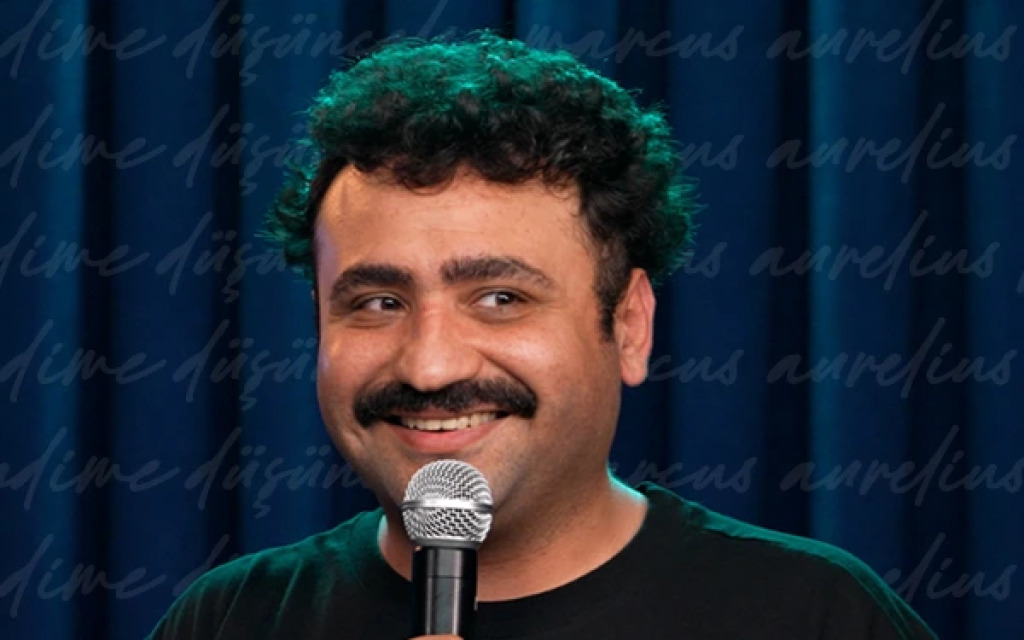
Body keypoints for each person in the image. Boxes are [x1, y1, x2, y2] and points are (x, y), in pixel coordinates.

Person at [147, 32, 937, 639]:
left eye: (500, 298)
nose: (430, 366)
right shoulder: (228, 620)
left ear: (629, 325)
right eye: (379, 302)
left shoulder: (816, 615)